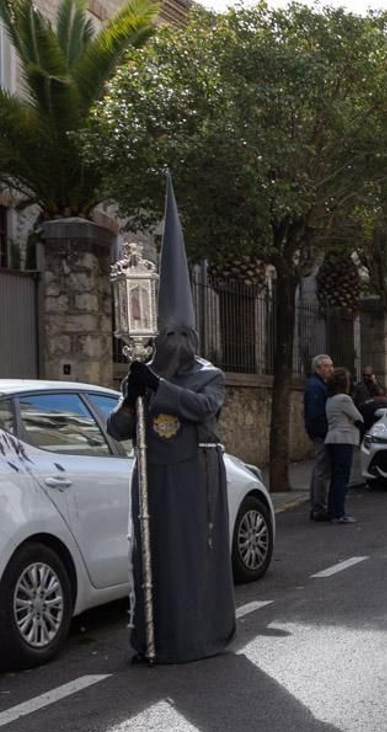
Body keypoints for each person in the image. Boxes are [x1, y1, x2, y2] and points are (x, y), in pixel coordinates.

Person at [105, 174, 234, 664]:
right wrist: (133, 396)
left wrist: (162, 389)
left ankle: (198, 634)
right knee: (151, 557)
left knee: (190, 560)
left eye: (182, 333)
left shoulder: (210, 375)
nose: (174, 342)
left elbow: (204, 409)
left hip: (194, 479)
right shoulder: (142, 372)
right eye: (167, 333)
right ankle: (150, 637)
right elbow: (118, 431)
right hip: (152, 478)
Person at [323, 368, 364, 524]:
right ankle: (339, 513)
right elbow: (358, 417)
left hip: (332, 438)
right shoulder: (344, 399)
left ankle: (333, 511)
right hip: (343, 439)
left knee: (336, 477)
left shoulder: (330, 399)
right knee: (342, 477)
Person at [304, 353, 333, 521]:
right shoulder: (316, 387)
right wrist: (324, 433)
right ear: (318, 368)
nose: (331, 369)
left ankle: (317, 505)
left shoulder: (319, 385)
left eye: (331, 365)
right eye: (327, 366)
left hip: (320, 432)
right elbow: (316, 414)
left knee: (319, 470)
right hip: (321, 433)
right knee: (322, 470)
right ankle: (319, 507)